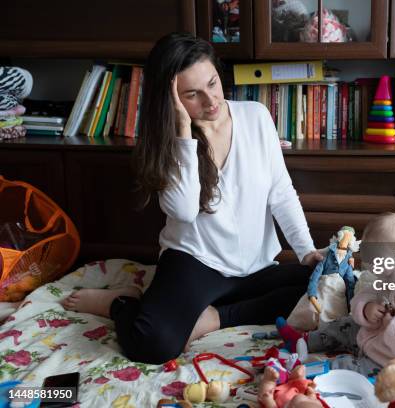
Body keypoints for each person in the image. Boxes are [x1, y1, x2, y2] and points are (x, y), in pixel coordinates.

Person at [61, 32, 322, 364]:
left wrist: (306, 251)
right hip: (197, 263)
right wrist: (184, 132)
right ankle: (121, 302)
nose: (211, 101)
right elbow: (183, 211)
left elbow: (281, 193)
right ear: (171, 99)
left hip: (256, 267)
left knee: (330, 287)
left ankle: (215, 317)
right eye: (192, 95)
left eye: (212, 84)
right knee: (151, 345)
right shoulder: (167, 143)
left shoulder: (256, 116)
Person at [277, 212, 395, 377]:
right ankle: (304, 341)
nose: (380, 276)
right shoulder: (390, 276)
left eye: (385, 270)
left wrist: (393, 324)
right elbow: (367, 293)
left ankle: (309, 372)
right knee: (345, 324)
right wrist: (367, 308)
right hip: (375, 338)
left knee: (350, 368)